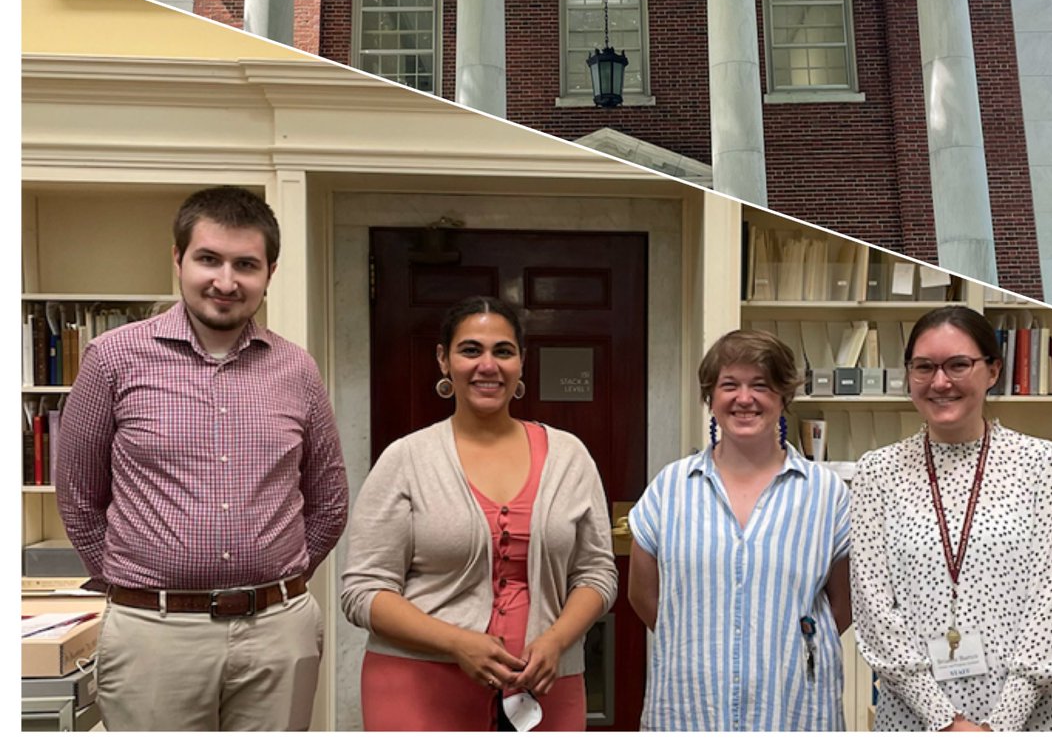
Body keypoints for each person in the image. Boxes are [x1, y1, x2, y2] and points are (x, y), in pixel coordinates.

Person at [55, 185, 349, 732]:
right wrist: (133, 583)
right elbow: (77, 496)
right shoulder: (113, 359)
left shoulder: (297, 370)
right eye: (208, 259)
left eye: (246, 264)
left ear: (269, 272)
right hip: (154, 633)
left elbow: (329, 501)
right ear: (178, 259)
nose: (226, 281)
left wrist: (276, 578)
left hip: (277, 633)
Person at [341, 295, 617, 731]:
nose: (487, 365)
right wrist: (456, 642)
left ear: (521, 362)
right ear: (443, 360)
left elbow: (597, 574)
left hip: (546, 686)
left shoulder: (570, 456)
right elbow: (363, 591)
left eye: (503, 351)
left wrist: (557, 641)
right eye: (470, 350)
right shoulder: (406, 459)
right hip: (418, 687)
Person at [850, 305, 1052, 732]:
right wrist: (947, 724)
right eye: (924, 367)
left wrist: (996, 729)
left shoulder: (1044, 465)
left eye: (958, 365)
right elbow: (875, 612)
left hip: (1026, 721)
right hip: (914, 720)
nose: (940, 382)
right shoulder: (876, 473)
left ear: (993, 370)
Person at [627, 329, 852, 731]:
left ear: (783, 397)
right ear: (710, 398)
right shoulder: (671, 487)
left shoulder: (826, 493)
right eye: (729, 385)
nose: (744, 398)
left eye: (761, 386)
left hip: (792, 705)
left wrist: (783, 645)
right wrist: (700, 640)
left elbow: (842, 606)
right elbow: (644, 596)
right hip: (690, 704)